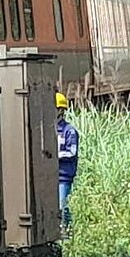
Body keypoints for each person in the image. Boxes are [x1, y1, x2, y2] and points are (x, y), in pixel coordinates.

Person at [56, 92, 79, 229]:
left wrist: (56, 155)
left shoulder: (69, 131)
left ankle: (67, 232)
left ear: (61, 110)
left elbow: (72, 152)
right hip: (50, 176)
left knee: (62, 206)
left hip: (63, 176)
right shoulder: (48, 129)